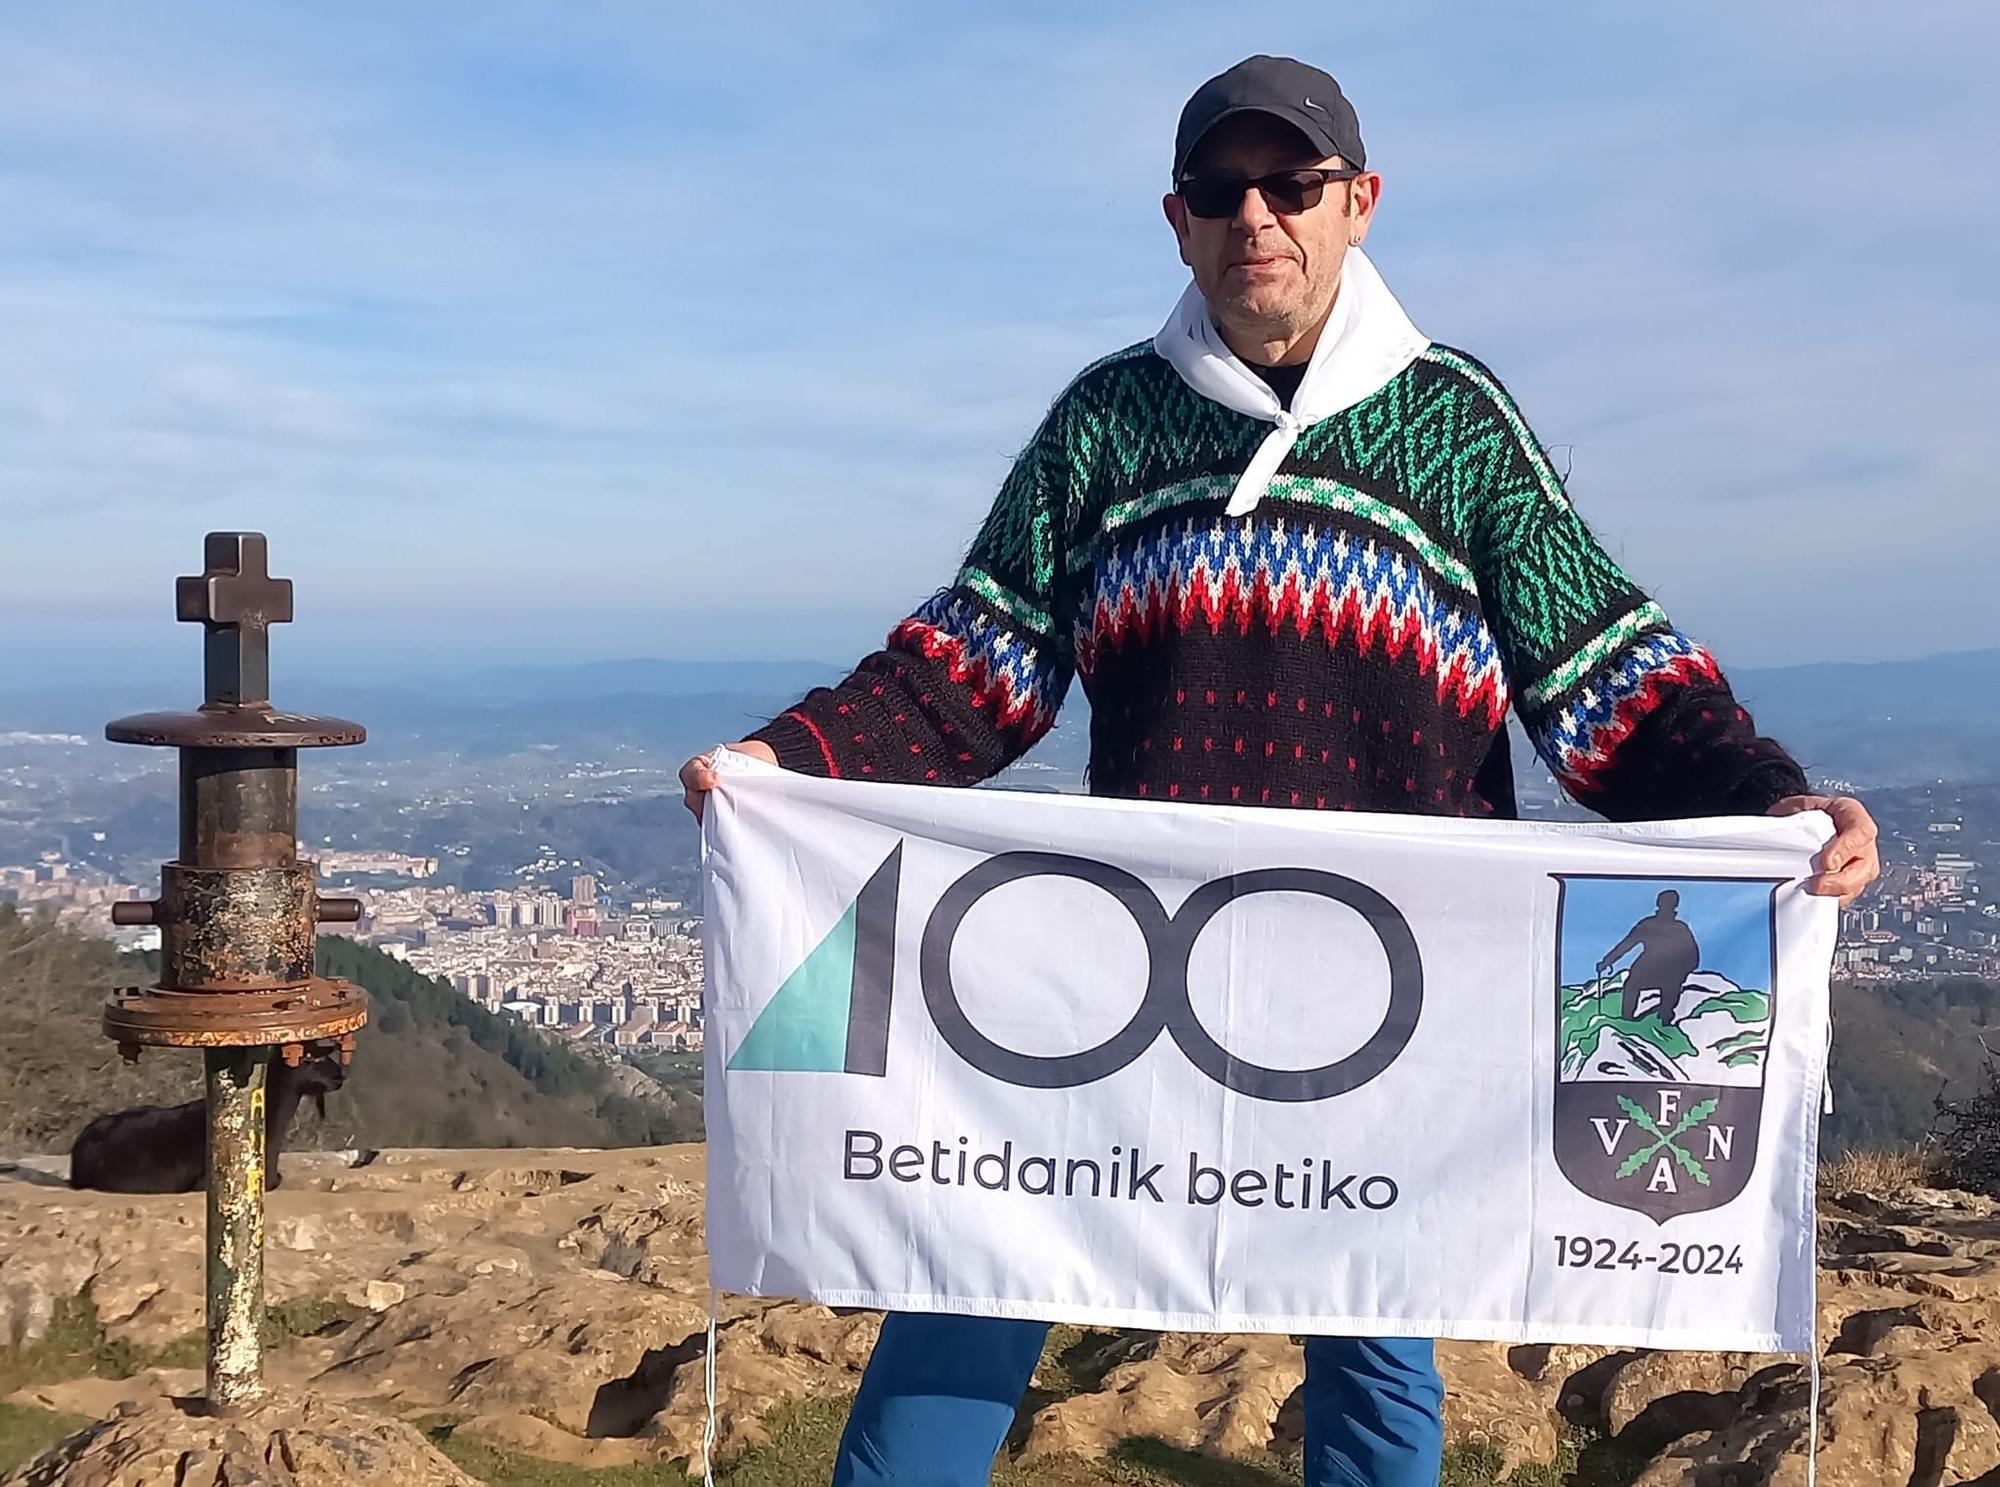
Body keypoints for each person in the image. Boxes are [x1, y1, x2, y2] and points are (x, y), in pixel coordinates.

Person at [682, 53, 1880, 1487]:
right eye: (1219, 188)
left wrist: (1768, 800)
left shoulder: (1454, 424)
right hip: (1136, 980)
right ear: (1177, 220)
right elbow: (974, 658)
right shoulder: (1107, 426)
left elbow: (1601, 664)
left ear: (1357, 204)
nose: (1257, 214)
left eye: (1292, 184)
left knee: (1373, 1335)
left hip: (1386, 989)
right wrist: (789, 759)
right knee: (977, 1255)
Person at [1599, 889, 1703, 1023]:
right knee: (1632, 986)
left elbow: (1693, 957)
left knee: (1634, 988)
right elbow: (1626, 945)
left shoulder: (1657, 925)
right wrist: (1607, 962)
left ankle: (1630, 1021)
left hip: (1660, 974)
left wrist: (1681, 973)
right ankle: (1631, 1021)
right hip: (1651, 973)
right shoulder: (1670, 927)